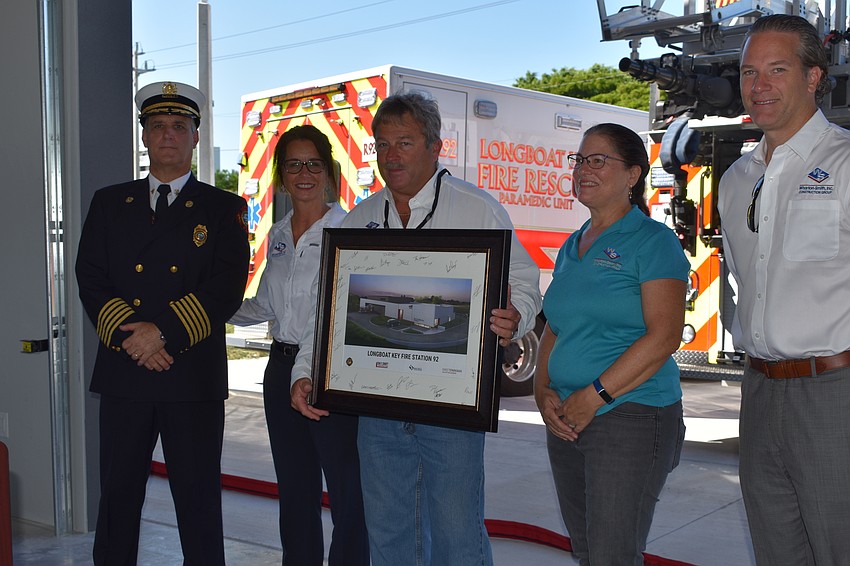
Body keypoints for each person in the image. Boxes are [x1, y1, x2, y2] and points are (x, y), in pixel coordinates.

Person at [291, 91, 542, 566]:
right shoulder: (361, 219)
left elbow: (525, 284)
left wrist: (516, 315)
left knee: (455, 534)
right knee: (387, 534)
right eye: (382, 145)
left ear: (434, 146)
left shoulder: (476, 209)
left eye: (403, 143)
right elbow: (327, 310)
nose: (391, 156)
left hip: (451, 409)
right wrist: (304, 371)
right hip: (377, 410)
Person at [75, 81, 249, 565]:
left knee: (197, 502)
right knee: (118, 498)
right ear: (144, 137)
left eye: (179, 126)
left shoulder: (223, 208)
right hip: (126, 371)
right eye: (157, 126)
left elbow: (226, 286)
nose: (168, 135)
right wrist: (135, 340)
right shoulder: (110, 202)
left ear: (195, 137)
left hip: (190, 376)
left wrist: (162, 334)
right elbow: (90, 275)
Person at [717, 14, 850, 564]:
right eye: (750, 72)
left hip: (834, 394)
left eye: (777, 69)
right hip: (759, 391)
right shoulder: (735, 180)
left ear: (814, 76)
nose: (759, 86)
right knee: (776, 553)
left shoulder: (844, 164)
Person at [534, 123, 689, 565]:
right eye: (579, 160)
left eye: (598, 160)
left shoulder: (653, 241)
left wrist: (595, 395)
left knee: (611, 555)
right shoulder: (571, 245)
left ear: (633, 174)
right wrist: (542, 390)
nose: (584, 169)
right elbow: (556, 326)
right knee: (588, 551)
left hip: (631, 415)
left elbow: (665, 336)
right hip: (566, 416)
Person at [229, 125, 369, 565]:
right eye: (293, 164)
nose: (304, 173)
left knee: (348, 494)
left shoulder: (348, 228)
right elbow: (267, 305)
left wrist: (309, 372)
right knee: (294, 490)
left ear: (328, 172)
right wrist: (208, 309)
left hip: (331, 373)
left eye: (313, 163)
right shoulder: (279, 233)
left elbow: (338, 312)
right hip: (279, 370)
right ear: (282, 176)